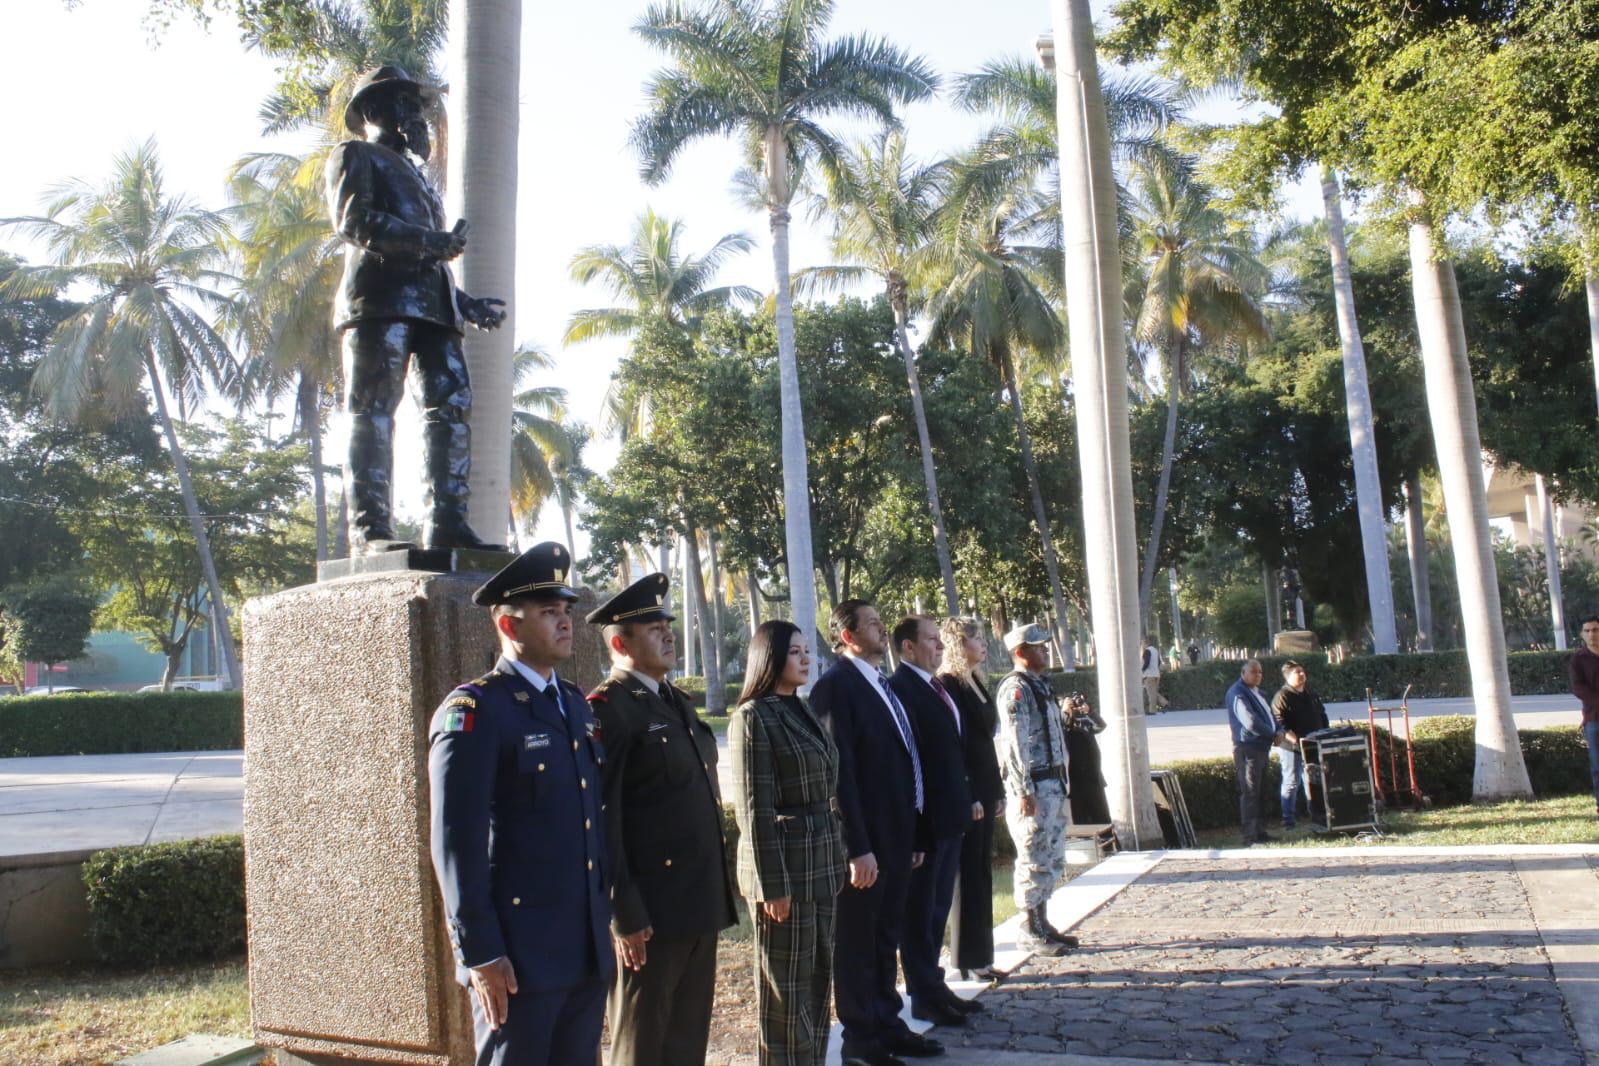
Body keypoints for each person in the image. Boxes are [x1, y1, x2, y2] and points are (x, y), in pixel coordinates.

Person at [426, 542, 611, 1066]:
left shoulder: (573, 704)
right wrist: (480, 952)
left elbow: (589, 820)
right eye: (549, 613)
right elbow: (455, 841)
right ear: (509, 627)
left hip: (582, 950)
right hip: (518, 959)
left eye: (566, 612)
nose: (565, 622)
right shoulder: (477, 710)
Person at [326, 65, 507, 551]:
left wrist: (467, 305)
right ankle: (370, 531)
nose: (417, 115)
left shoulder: (422, 179)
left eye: (417, 105)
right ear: (373, 110)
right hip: (380, 301)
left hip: (434, 309)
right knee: (372, 410)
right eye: (405, 104)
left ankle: (446, 523)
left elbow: (435, 258)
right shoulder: (356, 155)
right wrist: (431, 241)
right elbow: (357, 221)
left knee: (451, 408)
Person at [585, 573, 737, 1066]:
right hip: (649, 913)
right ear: (619, 642)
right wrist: (623, 912)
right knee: (641, 1043)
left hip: (696, 902)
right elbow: (603, 822)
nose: (668, 633)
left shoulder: (675, 703)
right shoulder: (611, 710)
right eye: (653, 628)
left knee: (686, 1038)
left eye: (667, 625)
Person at [811, 600, 943, 1065]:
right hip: (866, 849)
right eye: (870, 624)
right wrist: (857, 847)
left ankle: (889, 1023)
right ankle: (861, 1042)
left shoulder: (881, 684)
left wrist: (916, 836)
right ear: (847, 636)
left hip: (898, 839)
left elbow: (907, 760)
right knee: (859, 946)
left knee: (887, 940)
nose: (881, 629)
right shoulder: (834, 689)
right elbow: (839, 777)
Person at [729, 620, 847, 1066]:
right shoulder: (753, 717)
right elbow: (754, 811)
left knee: (817, 984)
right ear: (769, 657)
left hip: (820, 867)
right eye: (794, 651)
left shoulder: (801, 710)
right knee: (784, 995)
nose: (806, 658)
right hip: (785, 874)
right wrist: (771, 885)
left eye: (806, 651)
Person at [890, 616, 981, 1029]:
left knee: (938, 907)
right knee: (921, 913)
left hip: (950, 818)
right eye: (930, 641)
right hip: (925, 822)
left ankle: (935, 985)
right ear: (908, 648)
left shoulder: (934, 685)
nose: (939, 647)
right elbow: (913, 761)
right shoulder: (902, 689)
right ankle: (924, 994)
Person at [994, 625, 1076, 957]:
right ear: (1019, 652)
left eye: (1045, 644)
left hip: (1052, 786)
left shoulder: (1040, 686)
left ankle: (1042, 921)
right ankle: (1030, 927)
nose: (1044, 650)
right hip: (1034, 788)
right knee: (1032, 858)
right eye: (1036, 646)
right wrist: (1023, 790)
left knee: (1051, 856)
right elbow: (1013, 745)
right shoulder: (1016, 689)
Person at [937, 617, 1004, 984]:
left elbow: (985, 743)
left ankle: (981, 955)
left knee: (980, 873)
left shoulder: (975, 681)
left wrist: (996, 791)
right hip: (970, 793)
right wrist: (971, 795)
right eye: (976, 639)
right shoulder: (949, 684)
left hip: (986, 787)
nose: (983, 645)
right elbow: (957, 747)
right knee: (966, 877)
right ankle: (965, 957)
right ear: (958, 645)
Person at [1225, 659, 1282, 847]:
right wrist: (1272, 734)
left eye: (1260, 672)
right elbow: (1250, 722)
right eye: (1254, 672)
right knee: (1250, 792)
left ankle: (1261, 831)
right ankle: (1249, 836)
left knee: (1263, 791)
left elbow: (1271, 716)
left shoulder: (1259, 693)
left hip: (1262, 748)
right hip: (1248, 748)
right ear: (1243, 673)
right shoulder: (1237, 693)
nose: (1258, 675)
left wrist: (1279, 730)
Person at [1271, 659, 1329, 830]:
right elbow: (1278, 721)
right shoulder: (1282, 696)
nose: (1302, 674)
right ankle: (1288, 820)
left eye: (1303, 671)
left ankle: (1317, 816)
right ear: (1288, 676)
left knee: (1313, 781)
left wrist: (1325, 733)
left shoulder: (1311, 694)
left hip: (1313, 745)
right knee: (1292, 781)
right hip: (1292, 748)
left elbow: (1322, 714)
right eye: (1298, 672)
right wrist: (1293, 738)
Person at [1061, 692, 1110, 826]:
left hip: (1093, 778)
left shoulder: (1082, 723)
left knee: (1102, 819)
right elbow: (1062, 728)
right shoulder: (1061, 725)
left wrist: (1089, 711)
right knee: (1080, 821)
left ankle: (1106, 844)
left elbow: (1100, 726)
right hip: (1074, 781)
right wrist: (1065, 712)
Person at [1570, 615, 1599, 818]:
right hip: (1594, 720)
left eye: (1595, 630)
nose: (1592, 634)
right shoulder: (1578, 660)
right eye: (1587, 631)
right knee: (1598, 766)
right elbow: (1578, 688)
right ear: (1582, 634)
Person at [1140, 636, 1167, 715]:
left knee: (1151, 693)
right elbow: (1158, 662)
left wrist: (1142, 669)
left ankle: (1152, 711)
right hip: (1156, 674)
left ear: (1146, 643)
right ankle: (1164, 703)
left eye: (1142, 643)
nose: (1142, 645)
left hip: (1149, 675)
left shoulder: (1147, 651)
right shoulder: (1155, 650)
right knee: (1153, 691)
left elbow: (1146, 662)